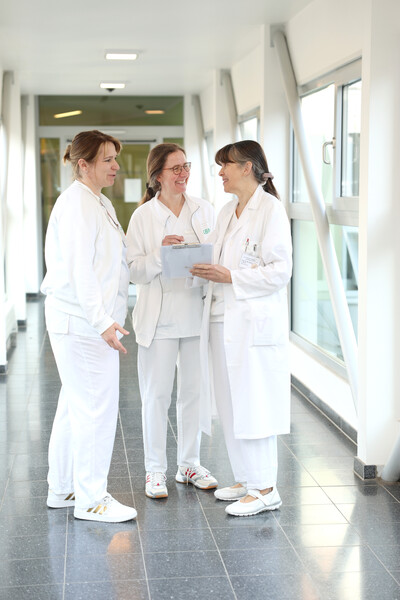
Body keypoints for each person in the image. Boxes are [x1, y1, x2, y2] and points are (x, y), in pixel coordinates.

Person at [191, 140, 292, 517]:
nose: (221, 172)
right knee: (230, 403)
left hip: (251, 325)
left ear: (247, 167)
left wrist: (232, 276)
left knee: (254, 402)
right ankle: (247, 479)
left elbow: (280, 271)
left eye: (226, 165)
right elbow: (213, 255)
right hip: (221, 318)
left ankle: (265, 489)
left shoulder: (271, 210)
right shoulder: (226, 211)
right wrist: (187, 255)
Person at [41, 130, 137, 523]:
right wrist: (102, 322)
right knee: (96, 409)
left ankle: (63, 487)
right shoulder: (78, 204)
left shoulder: (98, 201)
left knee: (75, 406)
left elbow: (113, 261)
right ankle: (92, 499)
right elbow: (81, 270)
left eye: (115, 158)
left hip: (85, 321)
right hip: (83, 323)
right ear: (83, 165)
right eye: (107, 160)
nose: (116, 166)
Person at [126, 143, 218, 499]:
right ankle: (155, 471)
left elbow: (216, 252)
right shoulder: (143, 217)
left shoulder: (204, 210)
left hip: (195, 314)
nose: (183, 174)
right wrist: (160, 254)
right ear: (158, 176)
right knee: (157, 395)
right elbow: (133, 270)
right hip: (160, 319)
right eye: (175, 168)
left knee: (193, 393)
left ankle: (189, 464)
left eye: (186, 166)